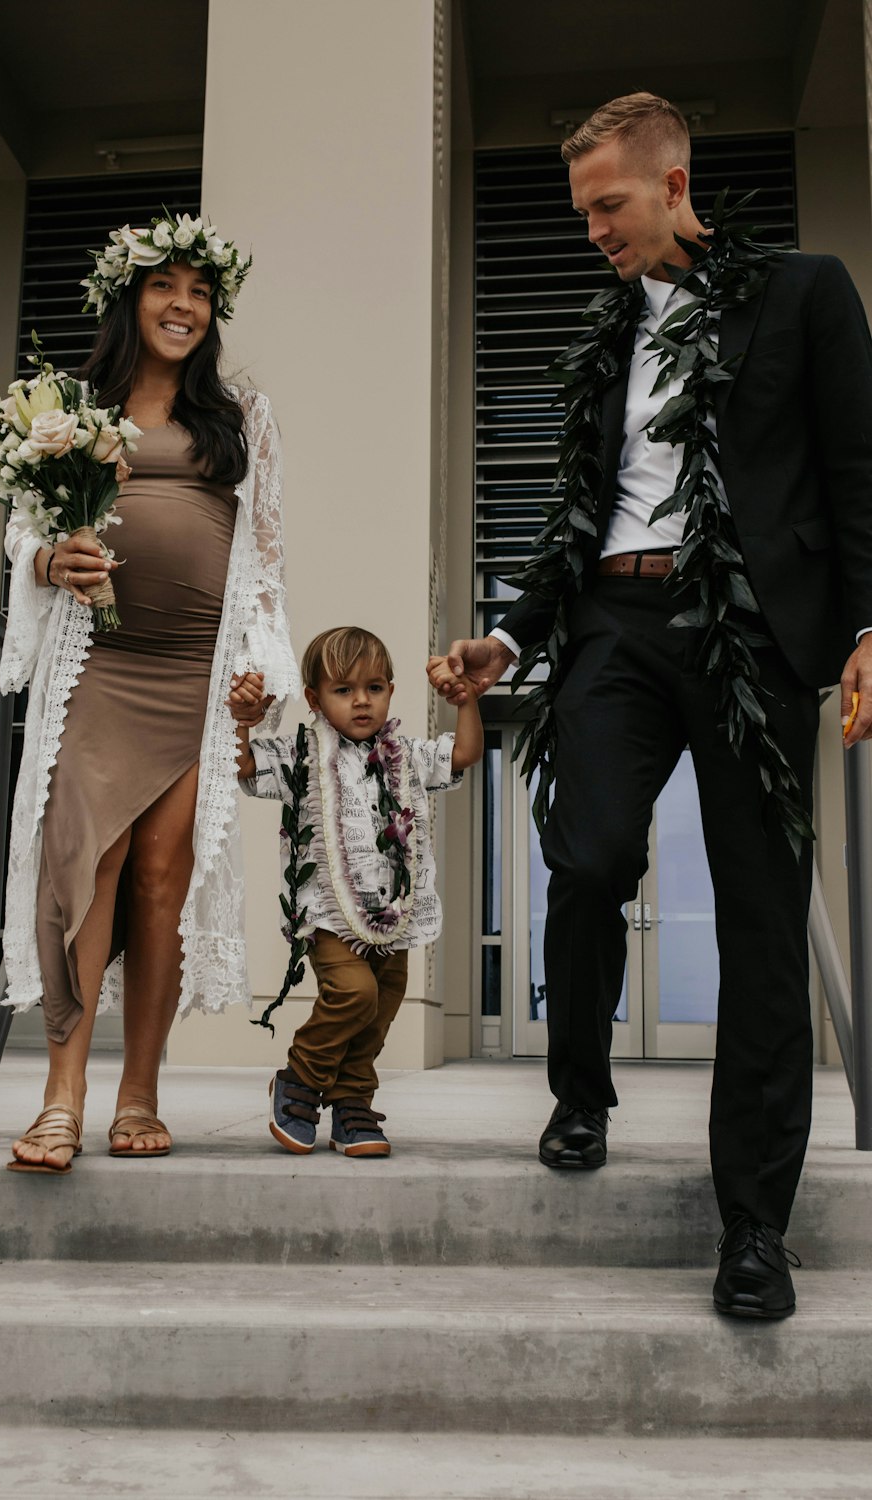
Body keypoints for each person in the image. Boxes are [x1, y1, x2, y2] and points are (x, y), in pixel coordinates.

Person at [431, 92, 872, 1318]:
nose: (591, 231)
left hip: (749, 633)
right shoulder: (602, 328)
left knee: (760, 919)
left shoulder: (803, 292)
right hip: (613, 626)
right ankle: (581, 1086)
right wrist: (511, 633)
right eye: (581, 213)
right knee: (588, 854)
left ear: (674, 187)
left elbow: (856, 471)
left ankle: (753, 1228)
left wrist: (866, 628)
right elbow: (578, 509)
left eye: (607, 206)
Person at [1, 211, 298, 1172]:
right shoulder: (66, 407)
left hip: (196, 679)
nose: (183, 306)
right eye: (165, 287)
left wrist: (265, 672)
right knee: (82, 876)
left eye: (201, 292)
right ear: (128, 297)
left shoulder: (240, 416)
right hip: (99, 667)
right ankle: (59, 1098)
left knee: (165, 888)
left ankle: (140, 1095)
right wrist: (51, 556)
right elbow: (22, 532)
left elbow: (265, 556)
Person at [229, 627, 482, 1157]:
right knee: (354, 995)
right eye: (343, 690)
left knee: (379, 1008)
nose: (361, 700)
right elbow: (246, 767)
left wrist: (466, 701)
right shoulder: (299, 754)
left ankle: (352, 1105)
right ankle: (299, 1078)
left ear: (391, 690)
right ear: (314, 699)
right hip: (328, 912)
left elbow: (463, 753)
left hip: (396, 912)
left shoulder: (406, 754)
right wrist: (241, 723)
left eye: (374, 687)